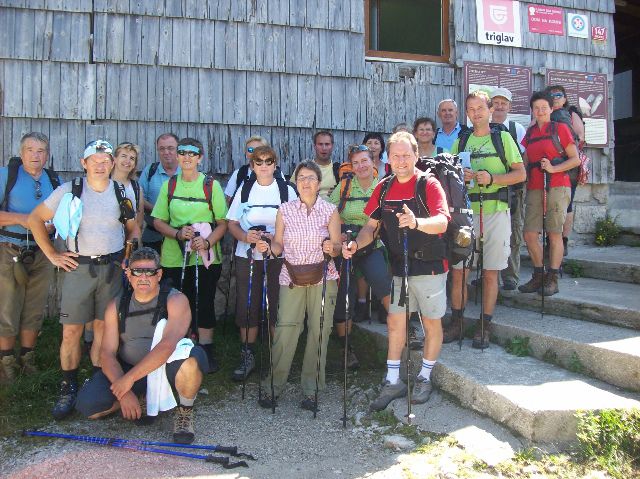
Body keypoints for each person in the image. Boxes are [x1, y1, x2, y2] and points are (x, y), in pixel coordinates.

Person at [29, 139, 141, 419]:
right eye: (95, 160)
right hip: (77, 268)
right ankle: (68, 386)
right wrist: (53, 254)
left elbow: (133, 227)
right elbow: (34, 219)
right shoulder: (70, 190)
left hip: (112, 268)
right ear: (84, 163)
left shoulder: (121, 191)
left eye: (106, 160)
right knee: (71, 331)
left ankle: (96, 382)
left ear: (112, 163)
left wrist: (130, 251)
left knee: (103, 330)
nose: (101, 165)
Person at [343, 131, 450, 411]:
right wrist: (356, 243)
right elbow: (370, 226)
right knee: (395, 322)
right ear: (388, 159)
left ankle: (425, 376)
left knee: (430, 323)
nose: (401, 160)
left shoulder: (429, 184)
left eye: (406, 155)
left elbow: (441, 222)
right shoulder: (384, 186)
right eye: (396, 156)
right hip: (399, 267)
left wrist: (417, 223)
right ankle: (393, 380)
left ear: (416, 155)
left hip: (429, 267)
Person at [75, 247, 208, 445]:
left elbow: (167, 345)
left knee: (190, 363)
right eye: (137, 271)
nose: (143, 277)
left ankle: (184, 413)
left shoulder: (175, 300)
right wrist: (125, 392)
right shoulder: (116, 305)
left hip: (167, 366)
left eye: (150, 271)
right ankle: (142, 397)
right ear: (128, 274)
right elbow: (107, 353)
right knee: (89, 407)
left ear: (159, 274)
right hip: (131, 369)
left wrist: (126, 381)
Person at [257, 160, 341, 411]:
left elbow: (336, 247)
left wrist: (331, 248)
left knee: (319, 331)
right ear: (296, 182)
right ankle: (274, 384)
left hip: (324, 277)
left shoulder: (330, 211)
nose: (306, 182)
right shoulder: (284, 210)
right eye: (302, 177)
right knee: (285, 330)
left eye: (311, 178)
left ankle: (311, 389)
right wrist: (268, 248)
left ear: (319, 183)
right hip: (291, 278)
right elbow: (279, 245)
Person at [447, 91, 526, 348]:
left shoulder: (502, 138)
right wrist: (463, 177)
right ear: (467, 114)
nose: (476, 113)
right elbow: (450, 176)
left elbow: (520, 174)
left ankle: (484, 324)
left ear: (489, 109)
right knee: (460, 272)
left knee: (491, 272)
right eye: (471, 109)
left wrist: (492, 179)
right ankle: (457, 322)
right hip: (467, 214)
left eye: (480, 108)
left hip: (496, 211)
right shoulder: (461, 141)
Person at [151, 137, 228, 372]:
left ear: (200, 158)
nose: (186, 157)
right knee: (176, 303)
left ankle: (205, 350)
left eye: (192, 154)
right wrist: (176, 233)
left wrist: (206, 241)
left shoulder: (210, 185)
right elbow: (157, 221)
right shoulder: (170, 185)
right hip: (174, 258)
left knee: (204, 301)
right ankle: (179, 348)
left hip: (204, 257)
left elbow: (223, 223)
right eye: (182, 153)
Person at [226, 146, 296, 381]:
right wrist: (247, 237)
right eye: (259, 161)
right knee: (248, 303)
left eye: (269, 161)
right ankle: (248, 354)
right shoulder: (245, 189)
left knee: (278, 303)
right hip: (248, 254)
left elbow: (297, 223)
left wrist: (275, 238)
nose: (264, 165)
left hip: (280, 255)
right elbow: (232, 223)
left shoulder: (286, 190)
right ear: (252, 165)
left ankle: (278, 357)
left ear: (275, 164)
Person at [0, 132, 60, 383]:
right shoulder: (6, 176)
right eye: (30, 150)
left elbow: (61, 216)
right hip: (10, 249)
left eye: (41, 151)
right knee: (7, 306)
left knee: (35, 307)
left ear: (47, 155)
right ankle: (6, 362)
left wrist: (52, 226)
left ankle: (27, 357)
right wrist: (23, 220)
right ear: (21, 152)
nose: (36, 156)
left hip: (41, 251)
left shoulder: (52, 180)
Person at [329, 145, 391, 369]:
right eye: (356, 163)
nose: (361, 166)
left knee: (383, 282)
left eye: (364, 161)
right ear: (351, 167)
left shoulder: (382, 186)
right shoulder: (345, 185)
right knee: (344, 294)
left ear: (373, 162)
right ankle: (346, 349)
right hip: (345, 243)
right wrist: (339, 233)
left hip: (371, 243)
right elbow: (328, 210)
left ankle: (402, 333)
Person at [519, 91, 580, 296]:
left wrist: (554, 169)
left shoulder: (560, 128)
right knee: (529, 233)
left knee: (554, 232)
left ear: (551, 108)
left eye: (544, 107)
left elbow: (575, 159)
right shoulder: (531, 133)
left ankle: (552, 277)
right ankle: (538, 274)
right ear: (533, 110)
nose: (540, 111)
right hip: (535, 185)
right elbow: (526, 159)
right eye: (536, 108)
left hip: (557, 184)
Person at [490, 87, 528, 291]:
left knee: (514, 232)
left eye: (503, 103)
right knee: (489, 235)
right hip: (489, 190)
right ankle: (490, 277)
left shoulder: (517, 129)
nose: (499, 106)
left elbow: (524, 160)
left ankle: (511, 276)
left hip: (513, 190)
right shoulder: (480, 128)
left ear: (509, 106)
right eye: (496, 102)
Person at [546, 85, 586, 256]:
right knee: (549, 203)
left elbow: (579, 137)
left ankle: (563, 240)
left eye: (558, 94)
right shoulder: (543, 113)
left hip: (568, 166)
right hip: (547, 166)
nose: (555, 97)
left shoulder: (571, 113)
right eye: (551, 95)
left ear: (565, 98)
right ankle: (551, 241)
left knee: (566, 204)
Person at [139, 133, 181, 253]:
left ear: (178, 150)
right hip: (153, 234)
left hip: (181, 233)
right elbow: (140, 199)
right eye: (162, 149)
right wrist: (159, 212)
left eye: (170, 148)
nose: (166, 152)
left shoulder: (187, 172)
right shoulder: (150, 171)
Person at [223, 135, 270, 204]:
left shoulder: (276, 173)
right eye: (251, 150)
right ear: (246, 153)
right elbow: (229, 201)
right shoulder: (238, 174)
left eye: (259, 149)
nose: (255, 153)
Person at [111, 142, 144, 231]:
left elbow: (139, 222)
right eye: (124, 156)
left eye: (132, 158)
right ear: (115, 159)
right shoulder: (103, 184)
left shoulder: (136, 189)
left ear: (134, 165)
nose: (127, 161)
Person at [310, 130, 339, 200]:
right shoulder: (304, 169)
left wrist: (339, 192)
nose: (324, 148)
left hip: (334, 209)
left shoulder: (339, 170)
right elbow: (292, 191)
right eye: (320, 144)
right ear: (314, 146)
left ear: (332, 146)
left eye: (327, 144)